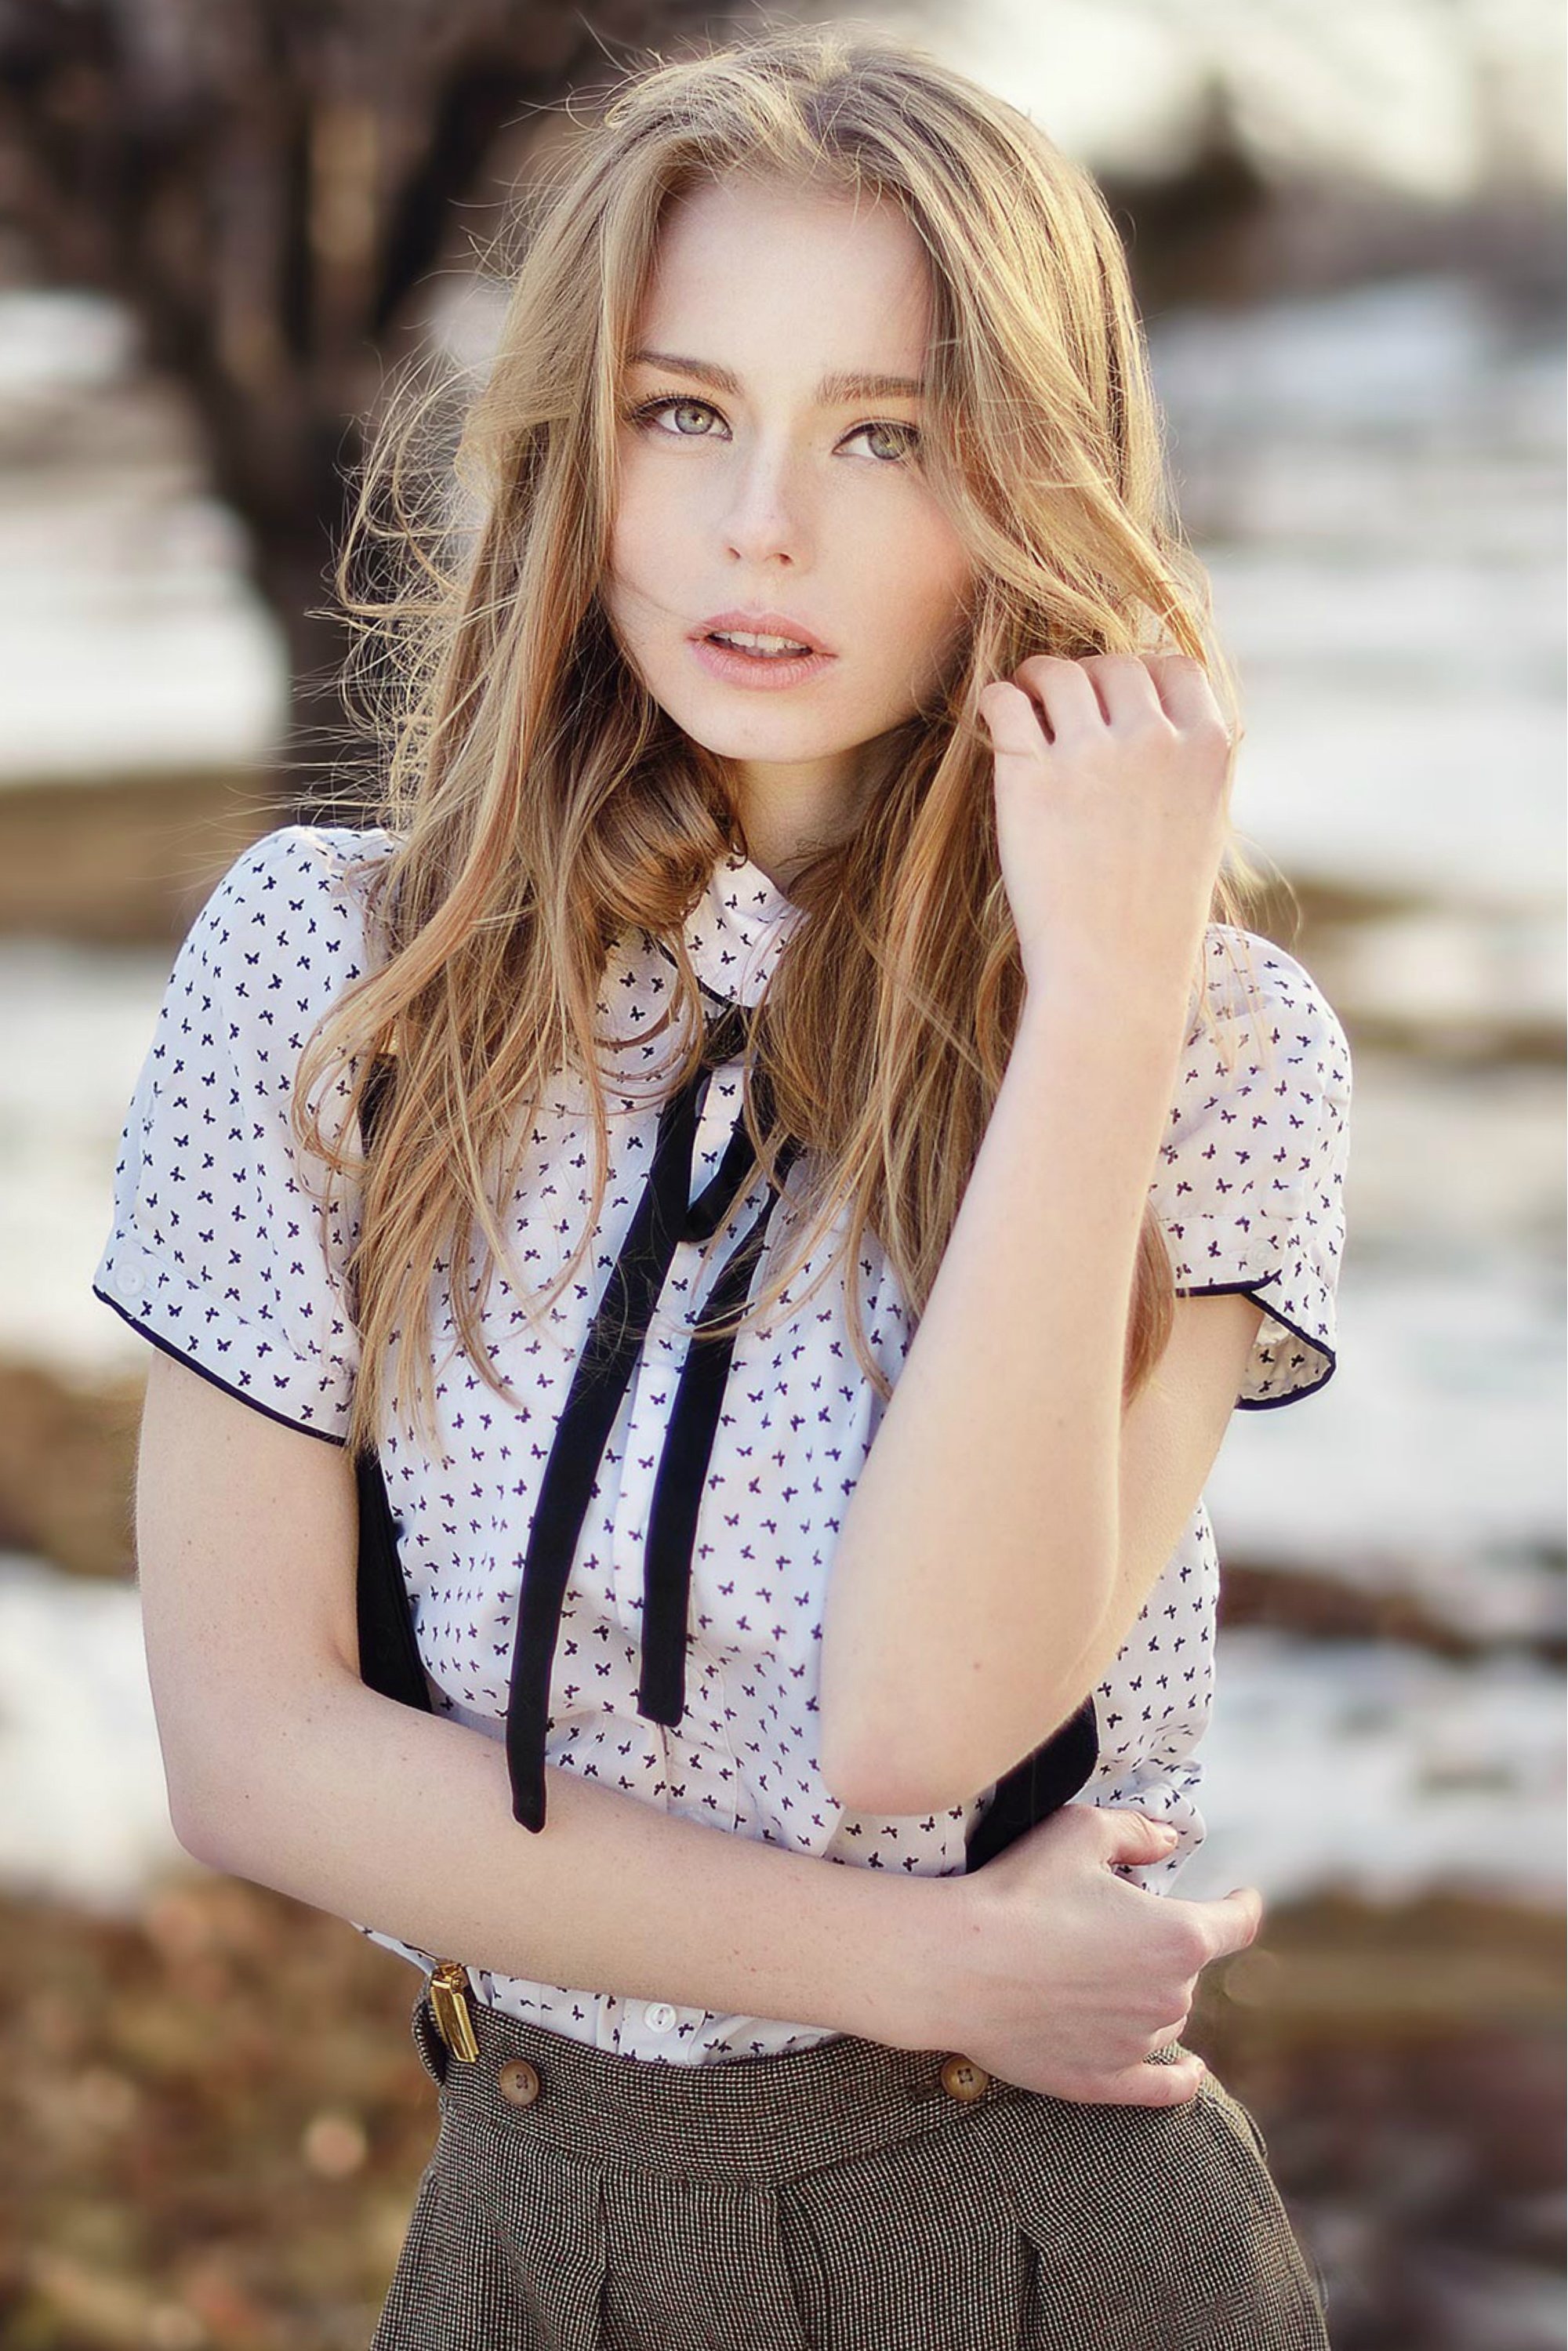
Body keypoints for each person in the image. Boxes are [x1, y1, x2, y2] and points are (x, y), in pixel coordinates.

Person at [96, 25, 1350, 2349]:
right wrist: (929, 1960)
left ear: (1028, 485)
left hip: (1036, 2253)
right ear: (581, 447)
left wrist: (1094, 1008)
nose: (762, 523)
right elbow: (252, 1754)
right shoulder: (335, 976)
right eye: (685, 412)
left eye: (886, 435)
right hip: (534, 2229)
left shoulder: (1213, 1050)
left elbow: (921, 1723)